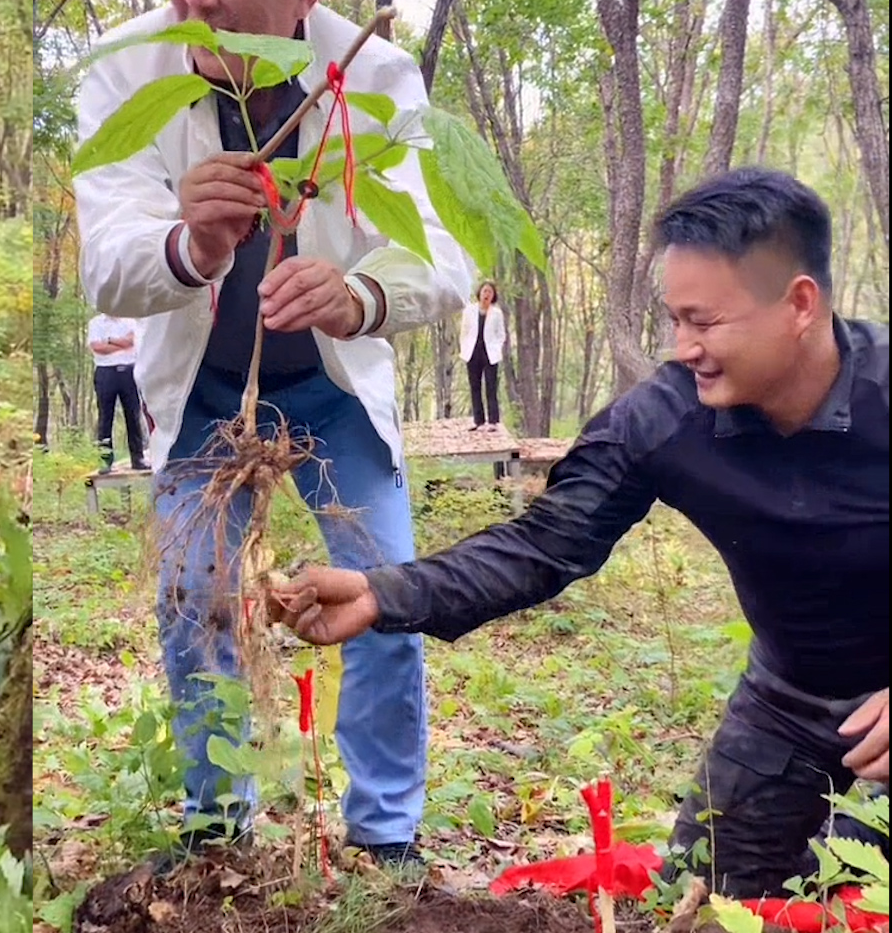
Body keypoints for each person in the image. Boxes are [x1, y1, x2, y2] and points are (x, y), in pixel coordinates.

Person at [271, 167, 889, 899]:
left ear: (799, 305)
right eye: (675, 320)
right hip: (785, 701)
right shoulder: (666, 419)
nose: (684, 346)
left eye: (705, 321)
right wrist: (383, 592)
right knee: (697, 893)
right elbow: (545, 543)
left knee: (856, 899)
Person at [73, 0, 472, 866]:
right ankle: (216, 827)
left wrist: (361, 294)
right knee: (193, 595)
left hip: (331, 393)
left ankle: (386, 838)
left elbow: (439, 250)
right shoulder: (127, 67)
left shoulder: (371, 76)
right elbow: (107, 261)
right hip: (205, 393)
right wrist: (191, 246)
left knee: (384, 590)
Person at [88, 311, 148, 472]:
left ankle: (138, 458)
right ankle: (105, 461)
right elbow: (97, 347)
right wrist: (120, 343)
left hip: (128, 372)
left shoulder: (130, 321)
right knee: (105, 417)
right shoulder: (96, 323)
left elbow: (131, 342)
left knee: (133, 416)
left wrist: (108, 340)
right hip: (105, 372)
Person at [459, 280, 505, 430]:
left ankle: (493, 421)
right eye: (485, 291)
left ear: (493, 296)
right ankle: (478, 421)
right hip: (473, 351)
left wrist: (497, 346)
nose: (487, 294)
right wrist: (464, 347)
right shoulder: (469, 311)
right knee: (475, 386)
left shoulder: (497, 313)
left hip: (490, 352)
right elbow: (464, 332)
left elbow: (501, 334)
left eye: (490, 292)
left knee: (491, 386)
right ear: (479, 293)